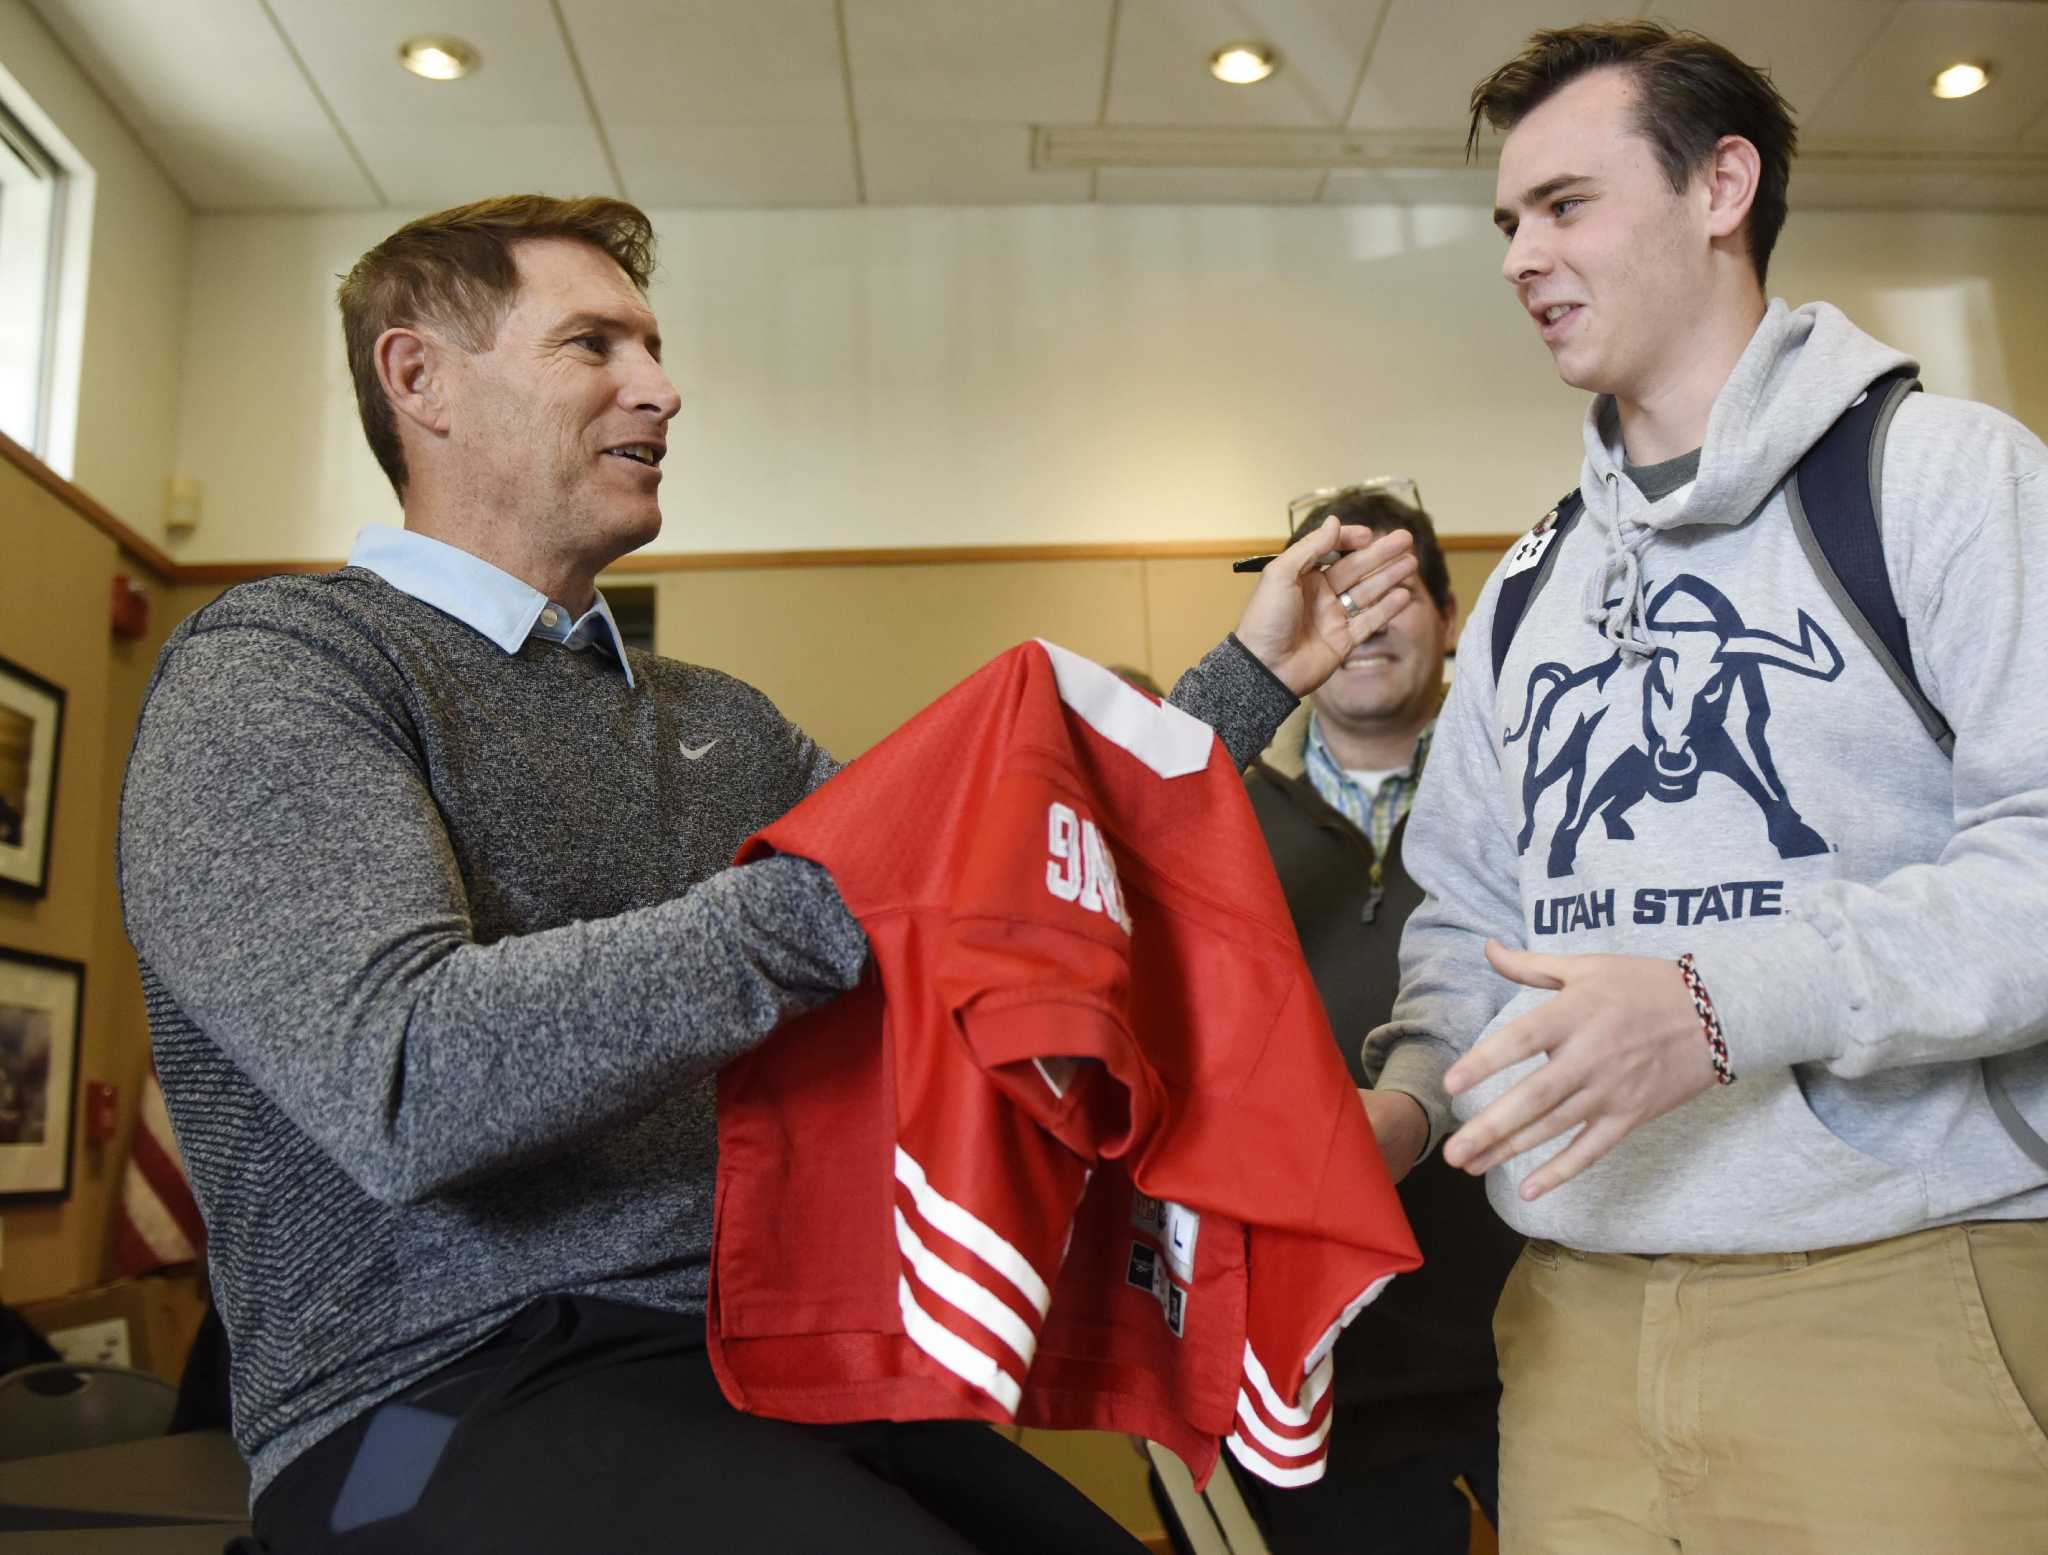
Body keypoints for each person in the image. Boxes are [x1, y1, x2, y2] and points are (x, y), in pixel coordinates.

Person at [115, 194, 1418, 1554]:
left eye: (656, 346)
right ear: (419, 376)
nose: (662, 389)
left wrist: (1248, 678)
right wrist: (829, 903)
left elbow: (990, 885)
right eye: (593, 345)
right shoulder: (280, 666)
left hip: (751, 1358)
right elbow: (403, 1077)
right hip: (415, 1400)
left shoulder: (723, 722)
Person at [1360, 22, 2048, 1553]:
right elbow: (1467, 913)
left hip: (1897, 1304)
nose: (1520, 254)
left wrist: (1718, 997)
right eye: (1507, 222)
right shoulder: (1533, 582)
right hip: (1572, 1332)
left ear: (1721, 185)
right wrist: (1399, 1112)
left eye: (1566, 204)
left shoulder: (1947, 477)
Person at [1227, 486, 1518, 1553]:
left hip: (1538, 1329)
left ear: (1449, 615)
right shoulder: (1215, 815)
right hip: (1326, 1358)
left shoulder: (1530, 801)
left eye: (1392, 591)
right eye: (1334, 592)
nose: (1363, 622)